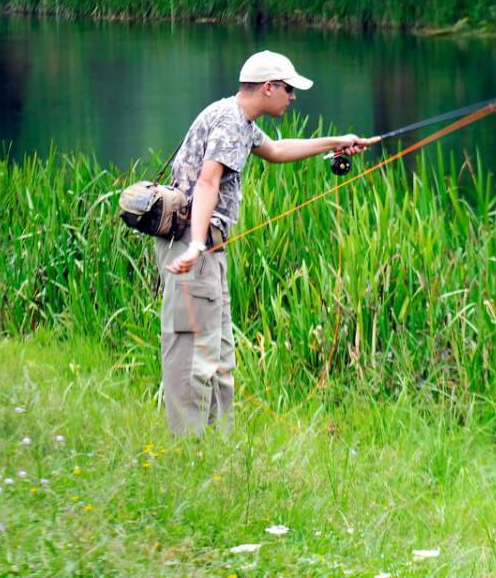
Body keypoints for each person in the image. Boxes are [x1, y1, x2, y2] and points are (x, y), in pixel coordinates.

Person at [156, 50, 378, 435]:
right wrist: (195, 245)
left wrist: (336, 142)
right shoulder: (228, 122)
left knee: (220, 356)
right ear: (268, 87)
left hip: (209, 251)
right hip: (196, 249)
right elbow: (208, 181)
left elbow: (275, 151)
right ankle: (186, 451)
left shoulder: (239, 120)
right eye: (288, 89)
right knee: (192, 356)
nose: (292, 97)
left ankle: (217, 447)